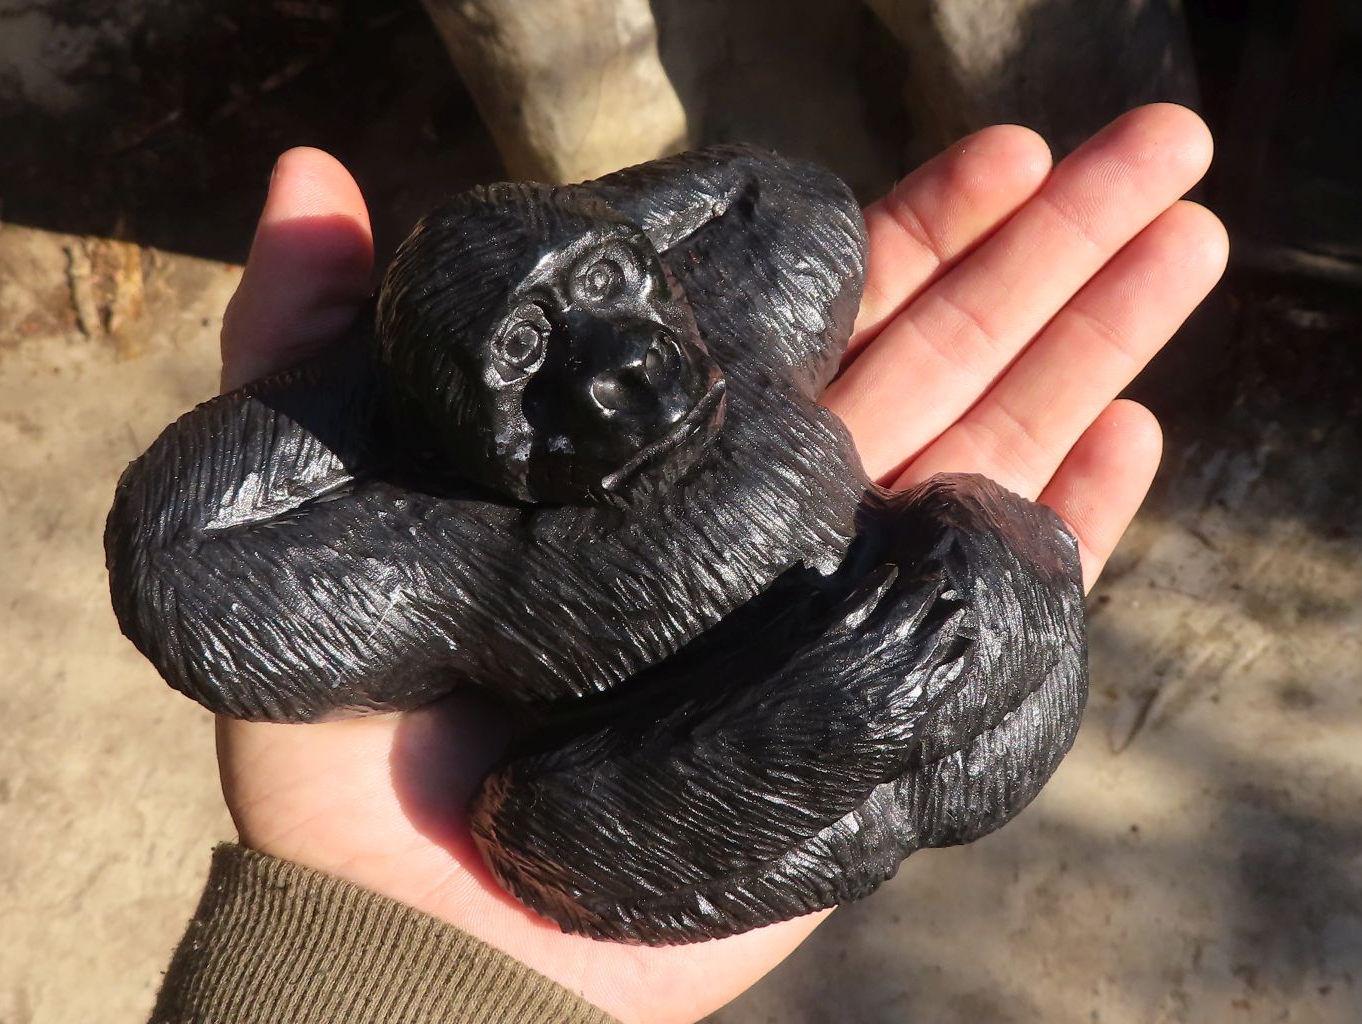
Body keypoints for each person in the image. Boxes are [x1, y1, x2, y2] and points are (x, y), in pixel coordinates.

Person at [152, 104, 1226, 1024]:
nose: (613, 365)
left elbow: (774, 192)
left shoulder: (743, 321)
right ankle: (830, 719)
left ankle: (859, 705)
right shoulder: (432, 537)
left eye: (614, 286)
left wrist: (599, 238)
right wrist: (380, 394)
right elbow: (177, 564)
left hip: (956, 730)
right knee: (530, 828)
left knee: (988, 527)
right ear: (448, 421)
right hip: (707, 800)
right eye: (523, 357)